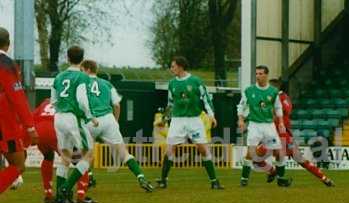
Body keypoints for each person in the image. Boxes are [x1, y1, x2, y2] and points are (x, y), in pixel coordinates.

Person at [80, 60, 153, 192]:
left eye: (82, 70)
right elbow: (117, 105)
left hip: (91, 120)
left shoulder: (81, 83)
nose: (81, 72)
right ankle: (141, 177)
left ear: (87, 69)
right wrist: (116, 121)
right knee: (124, 153)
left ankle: (89, 177)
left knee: (85, 153)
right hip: (108, 119)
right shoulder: (107, 84)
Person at [156, 56, 223, 189]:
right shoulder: (172, 83)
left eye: (173, 66)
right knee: (170, 150)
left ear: (181, 66)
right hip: (177, 120)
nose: (171, 69)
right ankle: (163, 180)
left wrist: (212, 115)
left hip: (194, 120)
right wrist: (164, 119)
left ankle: (214, 181)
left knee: (203, 149)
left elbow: (206, 99)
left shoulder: (196, 81)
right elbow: (170, 103)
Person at [0, 27, 38, 203]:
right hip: (3, 124)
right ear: (8, 43)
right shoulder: (6, 64)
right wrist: (30, 126)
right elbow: (17, 96)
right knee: (18, 165)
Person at [51, 46, 99, 203]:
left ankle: (59, 196)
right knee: (88, 155)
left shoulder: (59, 76)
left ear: (67, 58)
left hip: (58, 117)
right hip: (73, 118)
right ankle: (66, 188)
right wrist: (91, 117)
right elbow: (82, 99)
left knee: (65, 156)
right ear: (82, 59)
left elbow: (53, 100)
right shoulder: (82, 77)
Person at [266, 79, 334, 187]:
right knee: (257, 154)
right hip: (271, 133)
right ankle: (275, 174)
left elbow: (287, 110)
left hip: (284, 135)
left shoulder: (283, 97)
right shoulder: (268, 99)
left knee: (300, 159)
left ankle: (324, 178)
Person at [237, 65, 291, 187]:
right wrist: (240, 119)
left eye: (261, 74)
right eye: (257, 74)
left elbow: (278, 107)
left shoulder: (273, 91)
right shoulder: (249, 91)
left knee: (278, 153)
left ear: (266, 75)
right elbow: (241, 106)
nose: (258, 76)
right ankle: (244, 179)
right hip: (254, 125)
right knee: (251, 152)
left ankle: (281, 179)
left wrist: (281, 122)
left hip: (269, 125)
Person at [32, 99, 93, 203]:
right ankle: (80, 194)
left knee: (48, 157)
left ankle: (48, 193)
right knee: (79, 159)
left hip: (39, 130)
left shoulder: (46, 102)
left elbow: (32, 115)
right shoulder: (68, 102)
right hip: (54, 129)